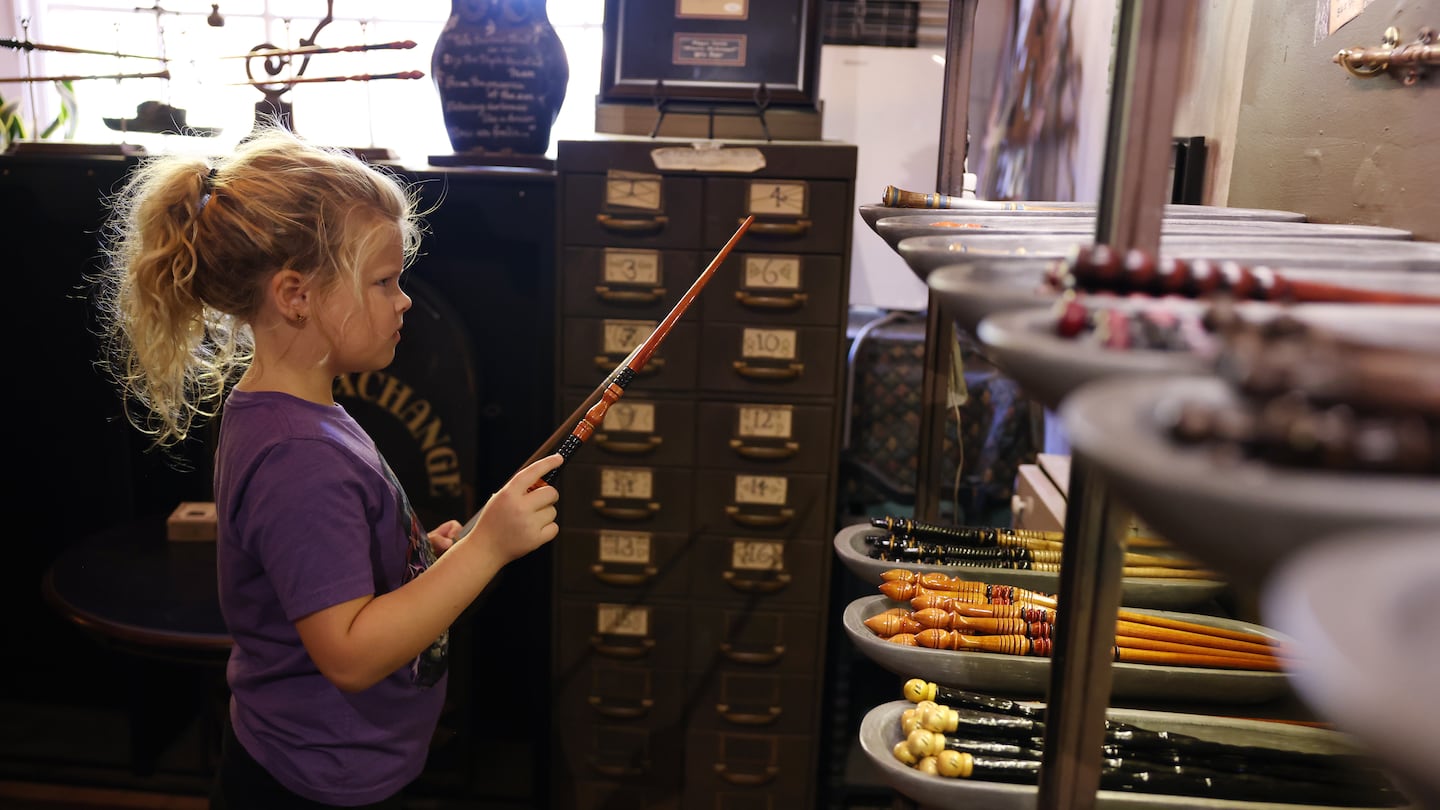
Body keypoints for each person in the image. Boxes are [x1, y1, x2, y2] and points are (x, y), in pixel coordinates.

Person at [93, 125, 562, 808]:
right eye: (382, 282)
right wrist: (487, 549)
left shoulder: (290, 416)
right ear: (295, 295)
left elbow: (325, 582)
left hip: (331, 768)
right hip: (315, 787)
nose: (403, 300)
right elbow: (351, 654)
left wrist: (416, 564)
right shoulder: (298, 457)